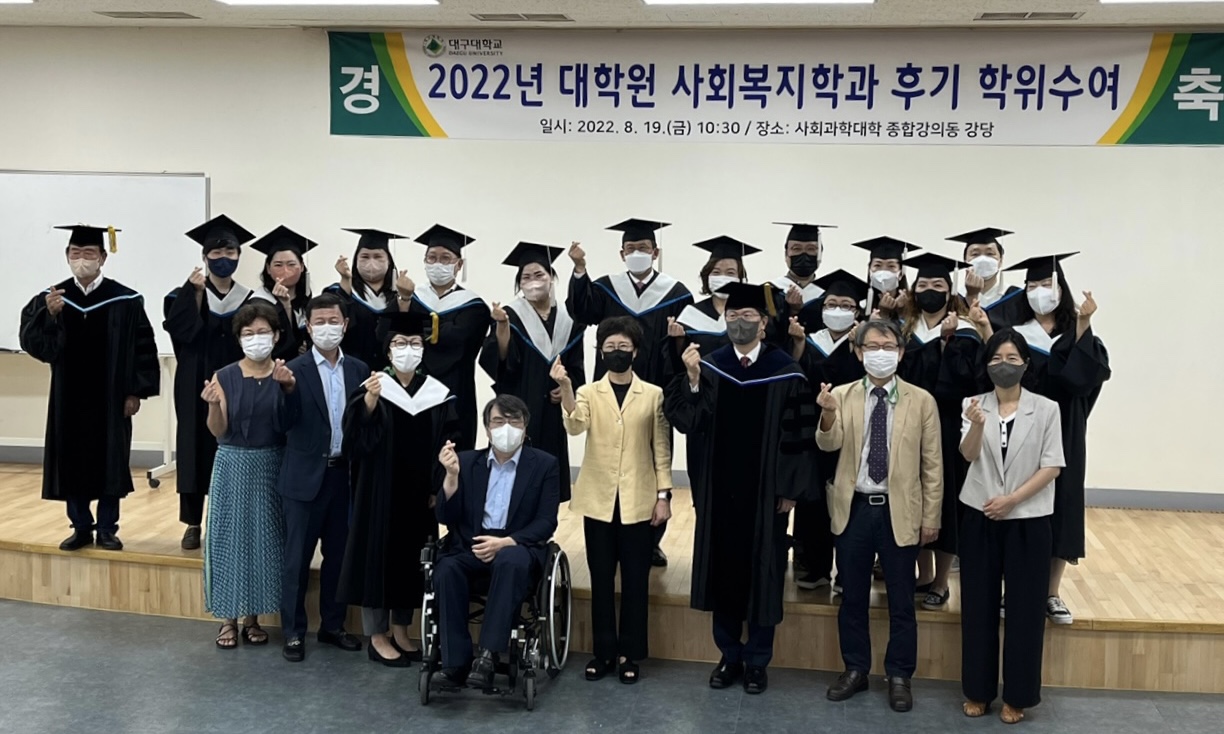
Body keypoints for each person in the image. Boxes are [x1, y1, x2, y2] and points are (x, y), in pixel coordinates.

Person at [664, 282, 818, 695]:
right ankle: (729, 655)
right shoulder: (709, 366)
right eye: (732, 316)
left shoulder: (786, 371)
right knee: (723, 569)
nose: (740, 322)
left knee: (765, 572)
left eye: (748, 316)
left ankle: (757, 661)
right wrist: (691, 379)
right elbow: (688, 422)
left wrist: (789, 489)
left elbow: (797, 435)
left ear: (764, 324)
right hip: (719, 491)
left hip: (767, 495)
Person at [816, 319, 942, 713]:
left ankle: (900, 675)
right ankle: (855, 669)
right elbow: (828, 444)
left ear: (901, 353)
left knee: (902, 601)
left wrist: (931, 516)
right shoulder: (841, 394)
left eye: (888, 346)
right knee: (852, 597)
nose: (880, 353)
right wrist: (827, 415)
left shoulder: (921, 400)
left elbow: (933, 464)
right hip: (853, 508)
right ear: (858, 353)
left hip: (899, 510)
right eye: (871, 347)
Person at [19, 224, 160, 552]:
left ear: (103, 257)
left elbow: (143, 347)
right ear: (67, 256)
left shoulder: (126, 299)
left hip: (111, 398)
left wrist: (134, 392)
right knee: (72, 460)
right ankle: (81, 526)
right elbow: (36, 345)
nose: (82, 259)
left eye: (89, 253)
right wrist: (50, 317)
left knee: (111, 460)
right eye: (75, 253)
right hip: (68, 397)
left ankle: (108, 528)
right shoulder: (52, 298)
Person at [568, 218, 692, 567]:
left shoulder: (676, 293)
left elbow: (685, 341)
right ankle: (609, 533)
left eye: (644, 248)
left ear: (656, 252)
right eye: (631, 248)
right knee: (608, 456)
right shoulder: (606, 288)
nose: (637, 253)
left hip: (657, 390)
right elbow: (581, 311)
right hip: (611, 390)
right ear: (622, 253)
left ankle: (651, 540)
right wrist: (580, 270)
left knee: (656, 455)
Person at [339, 310, 461, 667]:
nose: (408, 349)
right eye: (400, 343)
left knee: (412, 560)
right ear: (388, 350)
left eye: (414, 343)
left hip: (419, 494)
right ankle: (377, 636)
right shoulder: (373, 388)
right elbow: (354, 444)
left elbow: (449, 443)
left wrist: (437, 485)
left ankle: (401, 630)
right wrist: (370, 404)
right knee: (377, 559)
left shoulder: (436, 393)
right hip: (378, 493)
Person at [556, 316, 672, 685]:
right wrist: (566, 388)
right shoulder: (589, 392)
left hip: (639, 499)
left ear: (635, 352)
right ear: (601, 352)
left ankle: (630, 653)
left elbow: (661, 448)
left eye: (623, 347)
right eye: (610, 348)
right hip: (599, 500)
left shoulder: (653, 394)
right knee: (602, 578)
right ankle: (603, 651)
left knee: (636, 580)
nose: (617, 352)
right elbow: (575, 425)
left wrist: (664, 496)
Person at [959, 329, 1065, 725]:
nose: (1004, 365)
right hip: (981, 513)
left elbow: (1052, 466)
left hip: (1028, 518)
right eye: (996, 359)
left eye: (1012, 358)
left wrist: (1013, 499)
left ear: (1025, 363)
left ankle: (1018, 696)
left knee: (1025, 609)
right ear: (987, 365)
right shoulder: (973, 404)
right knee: (978, 606)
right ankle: (978, 691)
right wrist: (975, 425)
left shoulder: (1047, 408)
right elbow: (967, 454)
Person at [1003, 253, 1110, 625]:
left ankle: (1051, 592)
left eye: (1046, 284)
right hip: (1021, 428)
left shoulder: (1076, 331)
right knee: (1018, 504)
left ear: (1061, 289)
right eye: (1032, 285)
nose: (1039, 291)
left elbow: (1083, 383)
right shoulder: (1016, 335)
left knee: (1062, 506)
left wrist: (1084, 323)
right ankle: (1013, 587)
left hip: (1064, 431)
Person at [433, 395, 561, 689]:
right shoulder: (466, 462)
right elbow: (445, 516)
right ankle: (454, 663)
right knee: (446, 569)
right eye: (498, 421)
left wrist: (506, 542)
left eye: (514, 421)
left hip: (516, 548)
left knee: (510, 560)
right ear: (487, 429)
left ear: (525, 427)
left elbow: (546, 522)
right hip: (472, 545)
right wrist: (451, 477)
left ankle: (488, 656)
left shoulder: (544, 465)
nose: (506, 427)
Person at [897, 252, 993, 611]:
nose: (930, 290)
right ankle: (922, 574)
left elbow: (966, 383)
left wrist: (945, 344)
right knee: (914, 495)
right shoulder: (905, 330)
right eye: (923, 284)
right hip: (909, 424)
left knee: (947, 500)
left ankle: (941, 581)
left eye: (937, 284)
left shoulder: (965, 331)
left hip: (948, 425)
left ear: (950, 290)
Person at [277, 293, 368, 663]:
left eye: (334, 321)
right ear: (308, 326)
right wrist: (286, 391)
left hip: (344, 477)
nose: (327, 328)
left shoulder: (359, 369)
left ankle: (333, 625)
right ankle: (293, 632)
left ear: (345, 325)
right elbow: (281, 423)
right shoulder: (292, 370)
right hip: (303, 479)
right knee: (296, 560)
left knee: (340, 558)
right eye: (319, 322)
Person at [200, 300, 293, 649]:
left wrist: (287, 388)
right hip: (233, 464)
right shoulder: (224, 375)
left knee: (264, 540)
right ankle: (228, 619)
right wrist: (212, 404)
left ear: (276, 335)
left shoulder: (285, 374)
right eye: (248, 333)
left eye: (263, 332)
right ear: (239, 338)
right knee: (230, 539)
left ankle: (253, 618)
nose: (256, 338)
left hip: (272, 464)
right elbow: (218, 429)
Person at [163, 214, 258, 551]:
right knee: (193, 446)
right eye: (216, 253)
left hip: (237, 380)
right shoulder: (183, 295)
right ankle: (192, 522)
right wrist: (195, 294)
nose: (223, 258)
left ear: (239, 255)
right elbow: (182, 333)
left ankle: (230, 519)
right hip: (194, 382)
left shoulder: (250, 299)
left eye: (230, 252)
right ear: (204, 256)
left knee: (232, 445)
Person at [479, 241, 586, 502]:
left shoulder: (569, 319)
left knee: (548, 472)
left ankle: (547, 522)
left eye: (539, 274)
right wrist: (502, 326)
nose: (533, 281)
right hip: (518, 403)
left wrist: (567, 387)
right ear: (519, 284)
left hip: (551, 412)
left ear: (551, 278)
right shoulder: (511, 314)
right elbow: (501, 360)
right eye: (526, 277)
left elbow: (576, 365)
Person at [788, 270, 869, 592]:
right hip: (812, 431)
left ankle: (848, 573)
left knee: (850, 501)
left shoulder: (866, 342)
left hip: (852, 433)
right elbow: (795, 379)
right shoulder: (809, 340)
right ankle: (815, 567)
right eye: (831, 303)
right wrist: (797, 344)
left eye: (846, 305)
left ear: (857, 311)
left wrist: (858, 349)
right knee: (814, 500)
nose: (838, 310)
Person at [663, 235, 759, 496]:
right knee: (705, 485)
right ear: (706, 276)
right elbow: (676, 370)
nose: (723, 277)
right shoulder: (690, 315)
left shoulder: (752, 315)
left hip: (744, 409)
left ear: (741, 277)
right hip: (703, 412)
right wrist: (677, 341)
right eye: (716, 272)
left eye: (730, 272)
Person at [399, 223, 489, 452]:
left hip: (456, 389)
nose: (438, 263)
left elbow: (462, 342)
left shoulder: (475, 307)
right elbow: (396, 334)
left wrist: (420, 329)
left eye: (445, 258)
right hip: (413, 386)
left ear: (459, 265)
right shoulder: (411, 298)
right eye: (432, 257)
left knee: (453, 453)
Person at [326, 228, 406, 371]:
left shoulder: (400, 295)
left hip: (391, 370)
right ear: (356, 260)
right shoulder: (338, 292)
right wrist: (345, 282)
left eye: (378, 256)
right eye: (365, 257)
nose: (371, 262)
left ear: (389, 261)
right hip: (350, 369)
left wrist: (404, 298)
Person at [250, 225, 318, 358]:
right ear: (268, 269)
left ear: (302, 267)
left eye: (291, 264)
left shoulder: (306, 299)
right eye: (278, 265)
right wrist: (285, 306)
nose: (285, 270)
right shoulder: (258, 303)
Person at [946, 227, 1025, 327]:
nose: (983, 259)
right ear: (965, 261)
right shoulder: (955, 299)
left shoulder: (1016, 297)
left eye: (990, 254)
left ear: (1000, 261)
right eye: (975, 254)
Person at [770, 222, 835, 330]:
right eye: (796, 249)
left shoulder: (829, 294)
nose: (804, 254)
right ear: (786, 254)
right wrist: (791, 311)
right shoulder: (771, 291)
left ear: (820, 255)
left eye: (811, 249)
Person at [850, 236, 919, 322]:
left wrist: (902, 312)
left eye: (891, 266)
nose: (884, 270)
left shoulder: (913, 304)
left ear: (901, 273)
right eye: (877, 265)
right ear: (869, 271)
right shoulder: (860, 306)